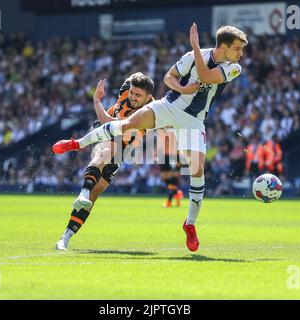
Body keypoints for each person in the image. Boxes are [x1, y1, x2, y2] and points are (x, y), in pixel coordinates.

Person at [53, 23, 247, 252]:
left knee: (197, 170)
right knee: (127, 124)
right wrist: (184, 88)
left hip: (193, 120)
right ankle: (77, 143)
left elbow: (205, 75)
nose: (241, 54)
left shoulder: (234, 68)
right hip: (169, 106)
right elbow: (169, 77)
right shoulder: (191, 56)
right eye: (237, 49)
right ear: (223, 46)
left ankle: (190, 225)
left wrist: (195, 46)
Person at [54, 72, 154, 250]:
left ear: (148, 97)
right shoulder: (128, 89)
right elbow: (135, 76)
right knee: (104, 153)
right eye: (132, 92)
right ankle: (83, 191)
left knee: (96, 192)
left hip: (120, 139)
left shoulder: (148, 113)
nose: (132, 97)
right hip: (103, 132)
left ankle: (66, 236)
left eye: (138, 95)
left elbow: (109, 122)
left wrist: (97, 101)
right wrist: (136, 77)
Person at [157, 127, 183, 208]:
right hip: (165, 156)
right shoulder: (162, 129)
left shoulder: (175, 130)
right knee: (164, 178)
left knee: (173, 179)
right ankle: (177, 193)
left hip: (173, 156)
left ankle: (169, 202)